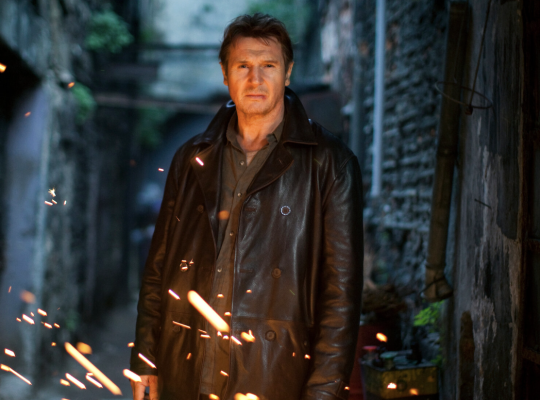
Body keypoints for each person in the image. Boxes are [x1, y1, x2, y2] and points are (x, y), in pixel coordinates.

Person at [130, 13, 364, 400]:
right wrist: (145, 361)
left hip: (274, 374)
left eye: (268, 65)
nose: (255, 79)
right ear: (225, 74)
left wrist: (323, 393)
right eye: (243, 66)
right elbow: (158, 270)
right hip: (186, 369)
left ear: (287, 73)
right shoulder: (191, 158)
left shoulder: (330, 164)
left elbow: (341, 296)